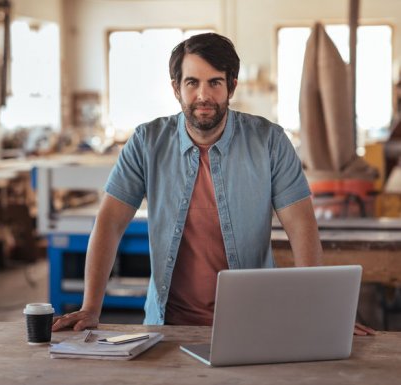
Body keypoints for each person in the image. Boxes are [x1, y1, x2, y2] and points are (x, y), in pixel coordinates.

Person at [52, 32, 374, 336]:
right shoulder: (146, 142)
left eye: (214, 83)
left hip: (253, 324)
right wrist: (91, 307)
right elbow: (109, 223)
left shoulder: (269, 142)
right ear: (176, 88)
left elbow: (301, 226)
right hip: (167, 326)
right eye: (192, 83)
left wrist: (318, 310)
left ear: (231, 87)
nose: (203, 95)